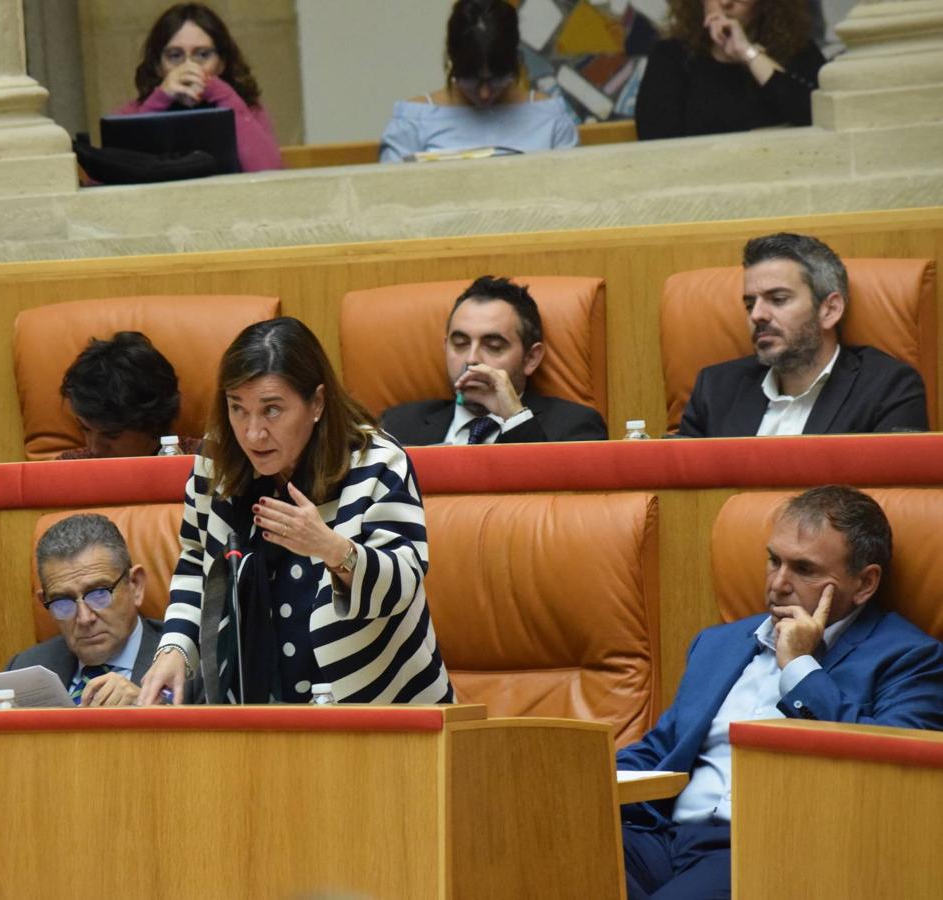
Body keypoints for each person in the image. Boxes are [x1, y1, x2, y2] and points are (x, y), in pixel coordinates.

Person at [616, 485, 943, 898]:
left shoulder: (910, 659)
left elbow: (888, 781)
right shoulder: (719, 644)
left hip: (771, 848)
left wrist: (800, 667)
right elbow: (661, 749)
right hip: (664, 837)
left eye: (804, 569)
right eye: (774, 561)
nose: (779, 584)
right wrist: (581, 783)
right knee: (552, 857)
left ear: (864, 583)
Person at [137, 317, 453, 705]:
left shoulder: (377, 462)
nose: (253, 433)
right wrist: (176, 647)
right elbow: (198, 559)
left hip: (382, 712)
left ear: (317, 403)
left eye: (272, 410)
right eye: (238, 409)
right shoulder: (217, 462)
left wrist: (333, 550)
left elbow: (403, 585)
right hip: (259, 710)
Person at [679, 233, 928, 437]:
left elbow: (892, 494)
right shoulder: (715, 389)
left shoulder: (888, 388)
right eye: (749, 305)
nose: (757, 316)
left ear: (830, 310)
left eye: (778, 299)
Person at [381, 277, 608, 445]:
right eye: (460, 344)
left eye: (493, 346)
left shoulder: (575, 428)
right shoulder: (396, 427)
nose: (471, 359)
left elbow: (555, 499)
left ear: (531, 358)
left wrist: (514, 418)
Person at [379, 0, 578, 163]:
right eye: (471, 79)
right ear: (452, 61)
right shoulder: (414, 123)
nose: (484, 93)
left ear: (515, 63)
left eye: (498, 79)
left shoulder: (550, 116)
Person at [5, 514, 163, 707]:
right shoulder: (25, 670)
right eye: (63, 602)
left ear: (135, 585)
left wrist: (150, 710)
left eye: (99, 593)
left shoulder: (191, 664)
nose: (84, 618)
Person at [115, 3, 281, 173]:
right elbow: (109, 178)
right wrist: (160, 100)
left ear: (221, 64)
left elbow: (269, 173)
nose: (189, 67)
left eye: (203, 55)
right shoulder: (134, 113)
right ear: (158, 66)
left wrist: (222, 95)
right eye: (175, 56)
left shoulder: (246, 109)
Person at [635, 0, 826, 140]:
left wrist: (748, 54)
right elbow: (654, 140)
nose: (725, 2)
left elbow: (818, 115)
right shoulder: (671, 55)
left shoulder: (798, 48)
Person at [57, 331, 201, 460]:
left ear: (153, 425)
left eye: (111, 434)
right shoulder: (66, 468)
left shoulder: (208, 463)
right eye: (85, 428)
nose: (95, 448)